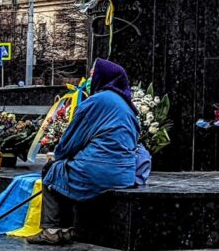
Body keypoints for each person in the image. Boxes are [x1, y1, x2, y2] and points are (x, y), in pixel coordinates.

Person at [26, 59, 147, 246]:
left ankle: (51, 230)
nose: (89, 79)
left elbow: (71, 139)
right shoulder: (126, 105)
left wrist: (58, 155)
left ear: (104, 77)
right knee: (64, 171)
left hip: (99, 171)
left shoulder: (97, 100)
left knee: (52, 169)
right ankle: (66, 230)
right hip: (124, 174)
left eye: (92, 75)